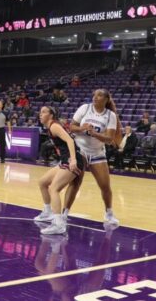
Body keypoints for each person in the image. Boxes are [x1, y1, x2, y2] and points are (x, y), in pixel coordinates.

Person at [63, 89, 121, 227]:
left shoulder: (110, 115)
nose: (95, 97)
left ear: (106, 99)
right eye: (94, 94)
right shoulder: (85, 108)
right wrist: (82, 128)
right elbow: (71, 127)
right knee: (75, 183)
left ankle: (109, 213)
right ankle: (64, 213)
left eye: (99, 95)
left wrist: (94, 133)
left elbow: (109, 139)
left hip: (97, 153)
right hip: (80, 150)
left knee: (105, 186)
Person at [33, 106, 84, 235]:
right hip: (65, 160)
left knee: (54, 189)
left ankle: (58, 224)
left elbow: (70, 140)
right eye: (40, 112)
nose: (40, 114)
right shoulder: (51, 127)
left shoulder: (54, 126)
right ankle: (48, 212)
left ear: (51, 115)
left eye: (43, 112)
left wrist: (73, 160)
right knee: (43, 182)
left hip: (72, 160)